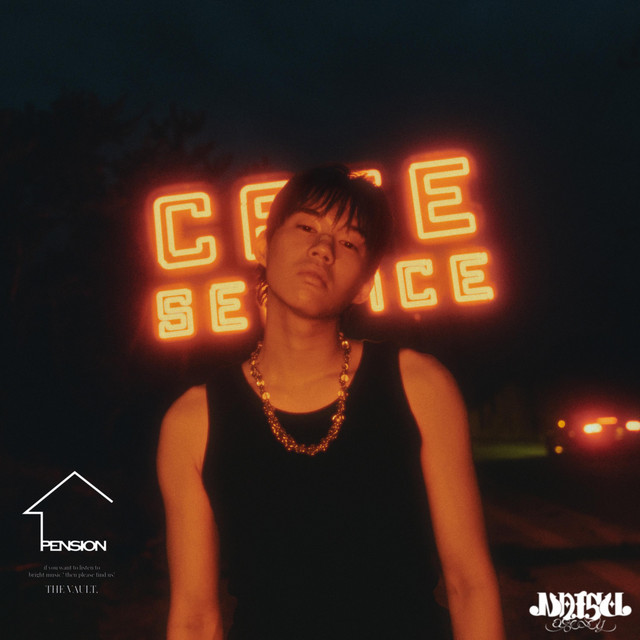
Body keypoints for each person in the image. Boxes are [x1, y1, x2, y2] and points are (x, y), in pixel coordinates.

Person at [157, 165, 505, 640]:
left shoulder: (420, 386)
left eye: (348, 243)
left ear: (364, 285)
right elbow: (195, 617)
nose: (323, 248)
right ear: (263, 245)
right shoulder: (194, 420)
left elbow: (469, 582)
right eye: (306, 227)